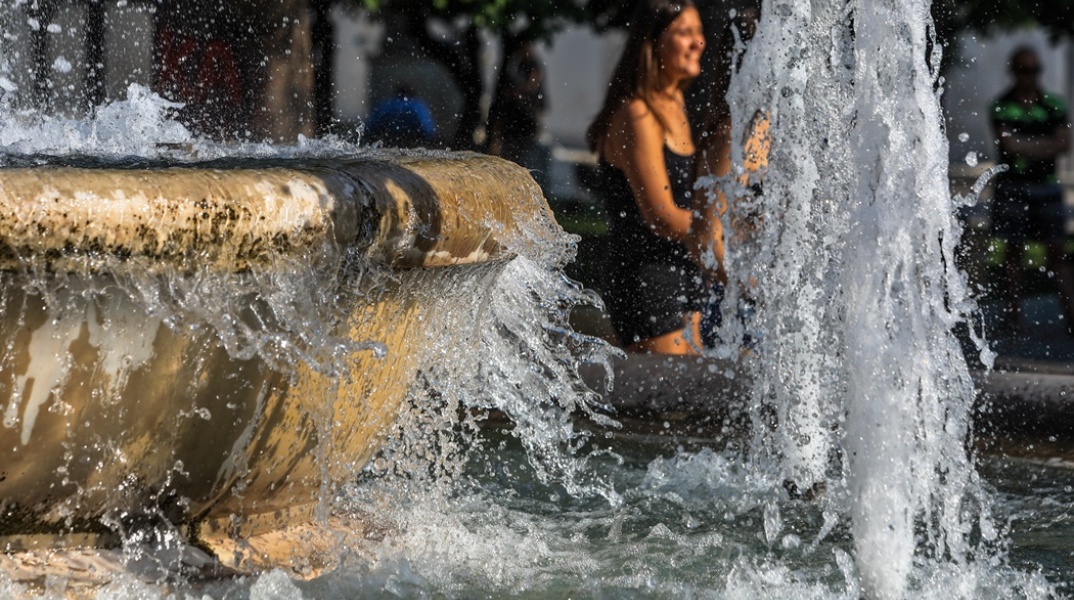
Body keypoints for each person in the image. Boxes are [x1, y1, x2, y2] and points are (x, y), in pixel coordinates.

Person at [586, 0, 706, 354]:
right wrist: (724, 230)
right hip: (648, 278)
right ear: (652, 42)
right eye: (685, 33)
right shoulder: (637, 114)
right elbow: (662, 216)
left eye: (699, 32)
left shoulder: (676, 106)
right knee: (661, 401)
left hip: (684, 270)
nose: (698, 42)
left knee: (690, 398)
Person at [693, 8, 767, 348]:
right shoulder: (729, 138)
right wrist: (754, 288)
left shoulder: (766, 132)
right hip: (738, 310)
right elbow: (707, 239)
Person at [989, 46, 1074, 332]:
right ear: (1014, 71)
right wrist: (1043, 147)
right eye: (1025, 70)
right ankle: (1014, 318)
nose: (1031, 77)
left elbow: (1062, 145)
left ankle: (1070, 316)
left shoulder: (1053, 105)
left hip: (1046, 187)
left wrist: (1026, 148)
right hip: (1013, 186)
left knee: (1058, 252)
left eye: (1035, 70)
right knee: (1013, 252)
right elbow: (1009, 146)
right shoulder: (1002, 105)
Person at [487, 39, 548, 188]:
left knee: (523, 160)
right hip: (513, 122)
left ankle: (522, 188)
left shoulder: (532, 65)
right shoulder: (516, 65)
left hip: (525, 122)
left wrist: (517, 93)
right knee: (511, 158)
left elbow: (533, 86)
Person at [364, 84, 438, 148]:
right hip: (414, 144)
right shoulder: (417, 106)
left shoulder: (387, 105)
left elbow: (370, 127)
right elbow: (428, 130)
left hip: (388, 143)